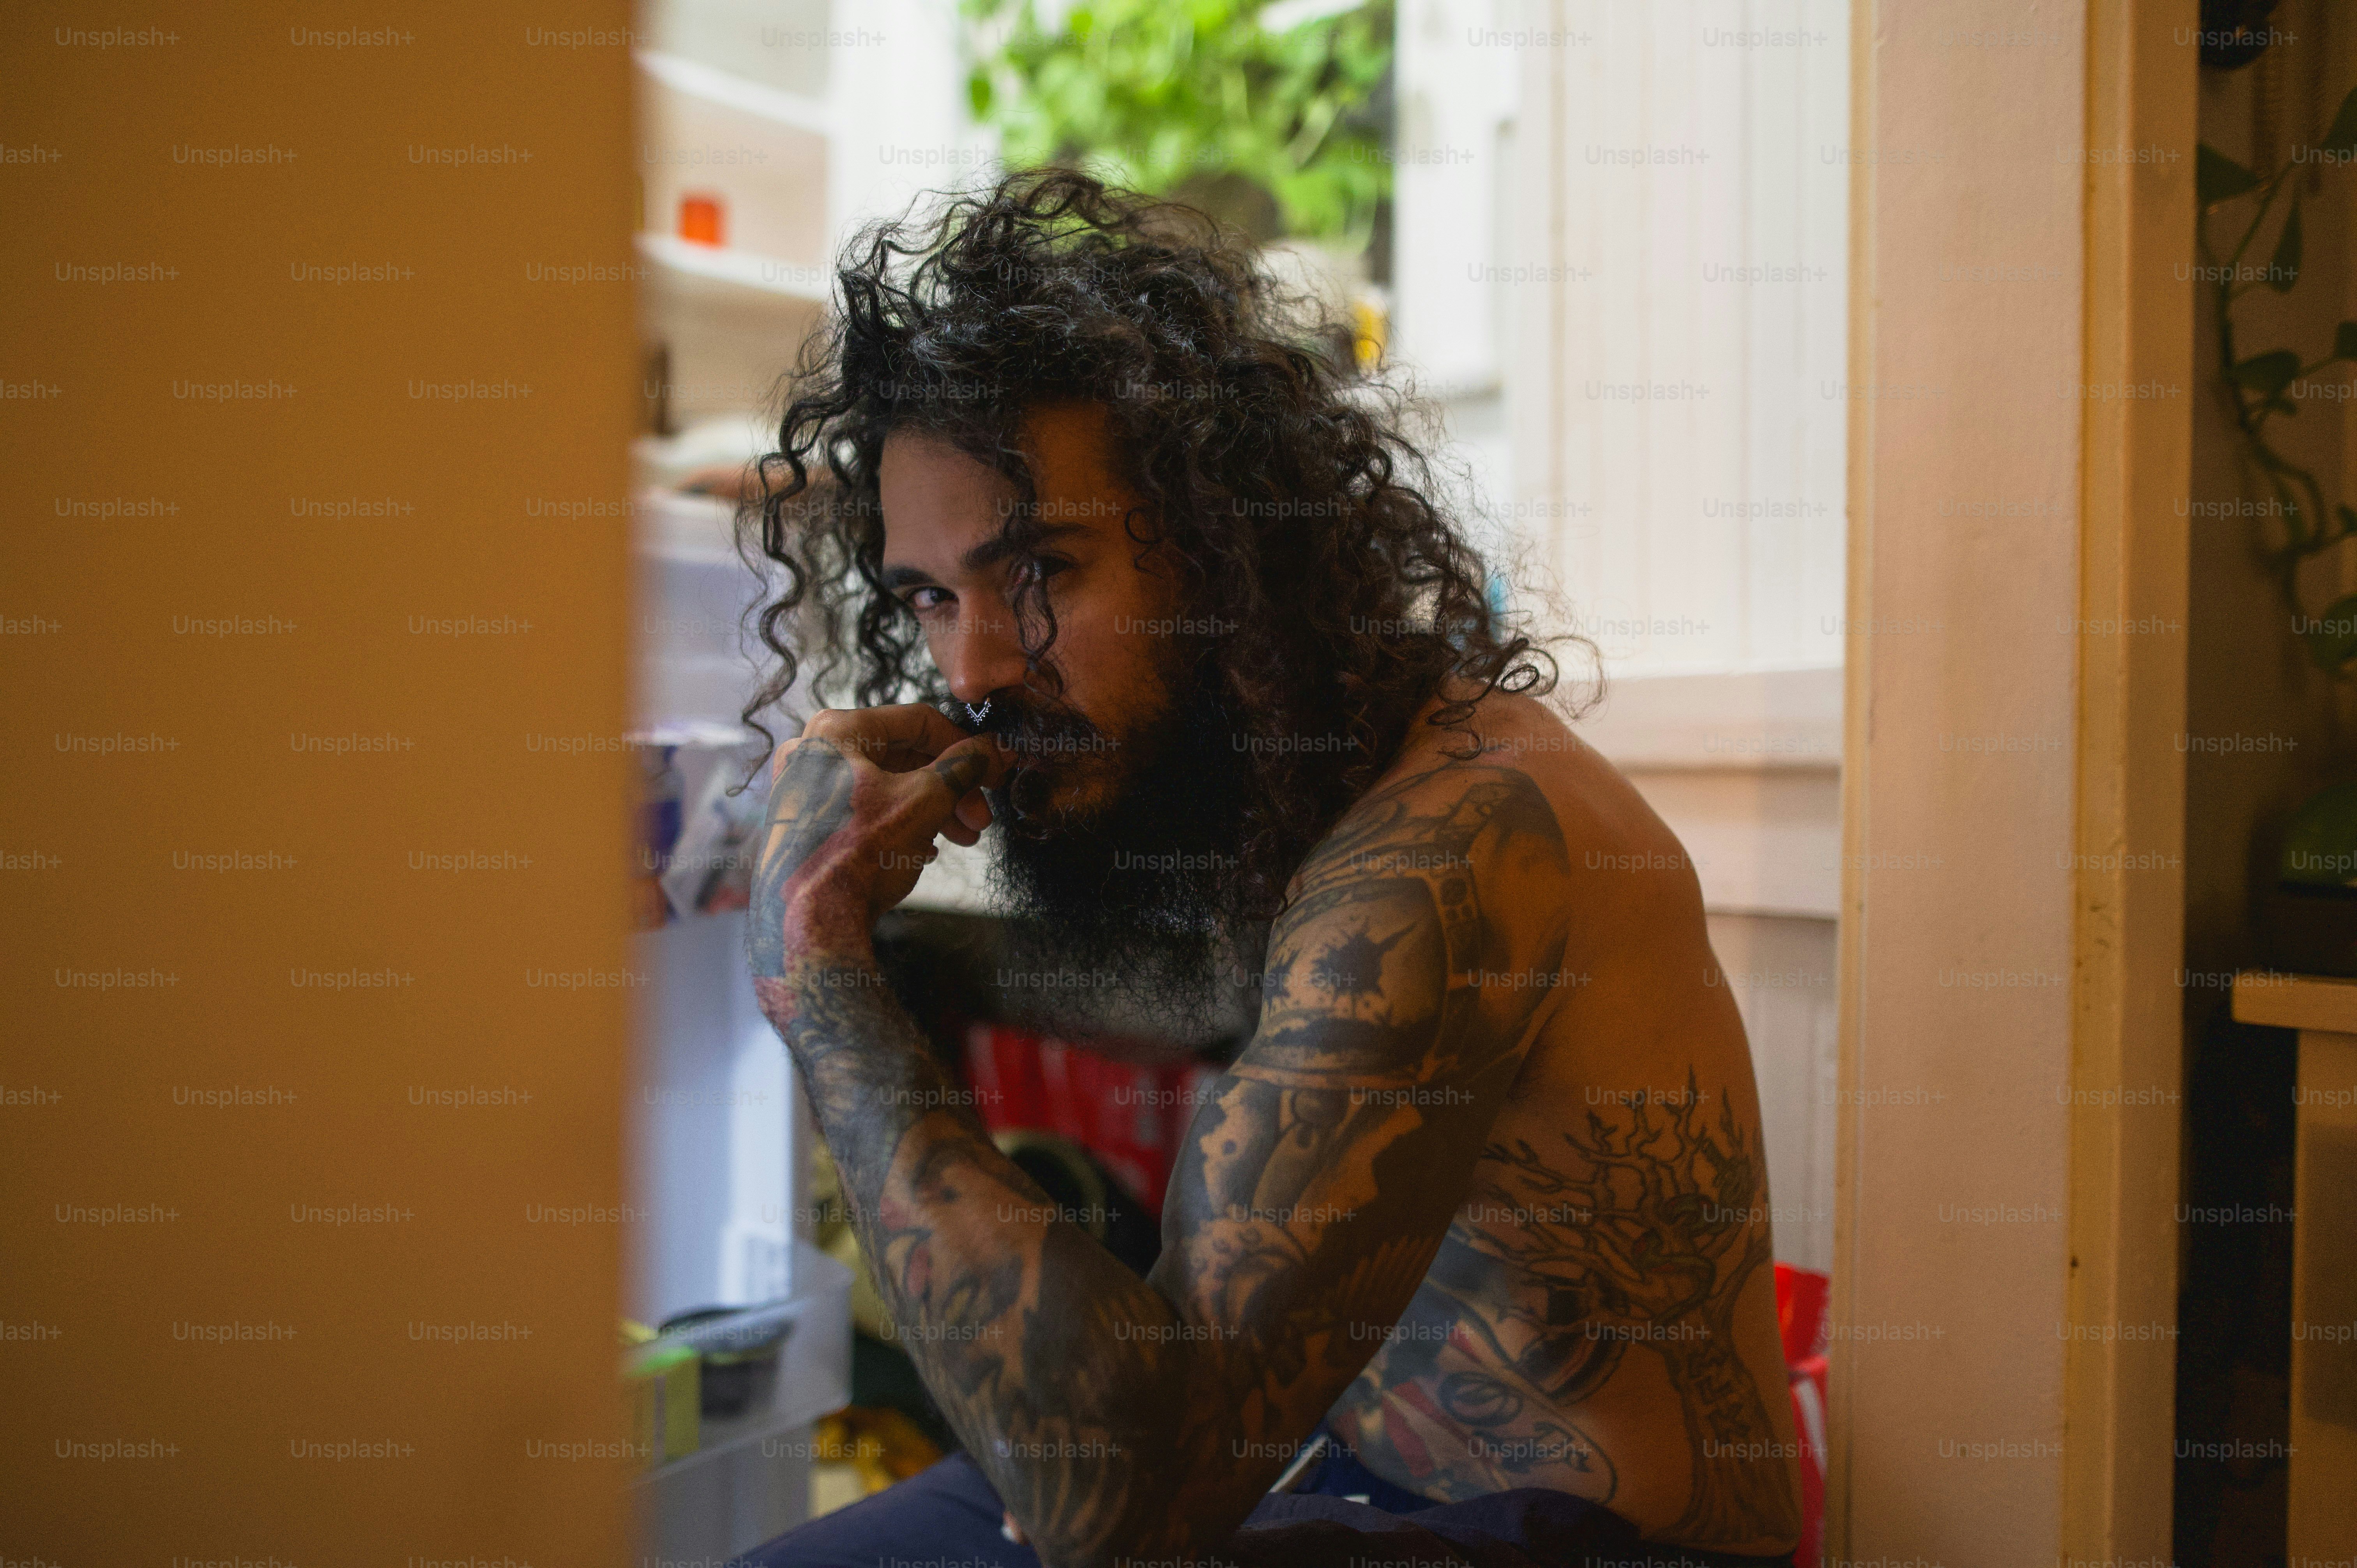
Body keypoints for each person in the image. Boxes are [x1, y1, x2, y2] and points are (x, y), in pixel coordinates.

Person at [737, 171, 1804, 1568]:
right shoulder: (1292, 794)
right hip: (1334, 1469)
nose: (975, 665)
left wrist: (818, 966)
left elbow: (1115, 1515)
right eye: (932, 596)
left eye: (1042, 570)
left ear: (1228, 548)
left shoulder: (1450, 849)